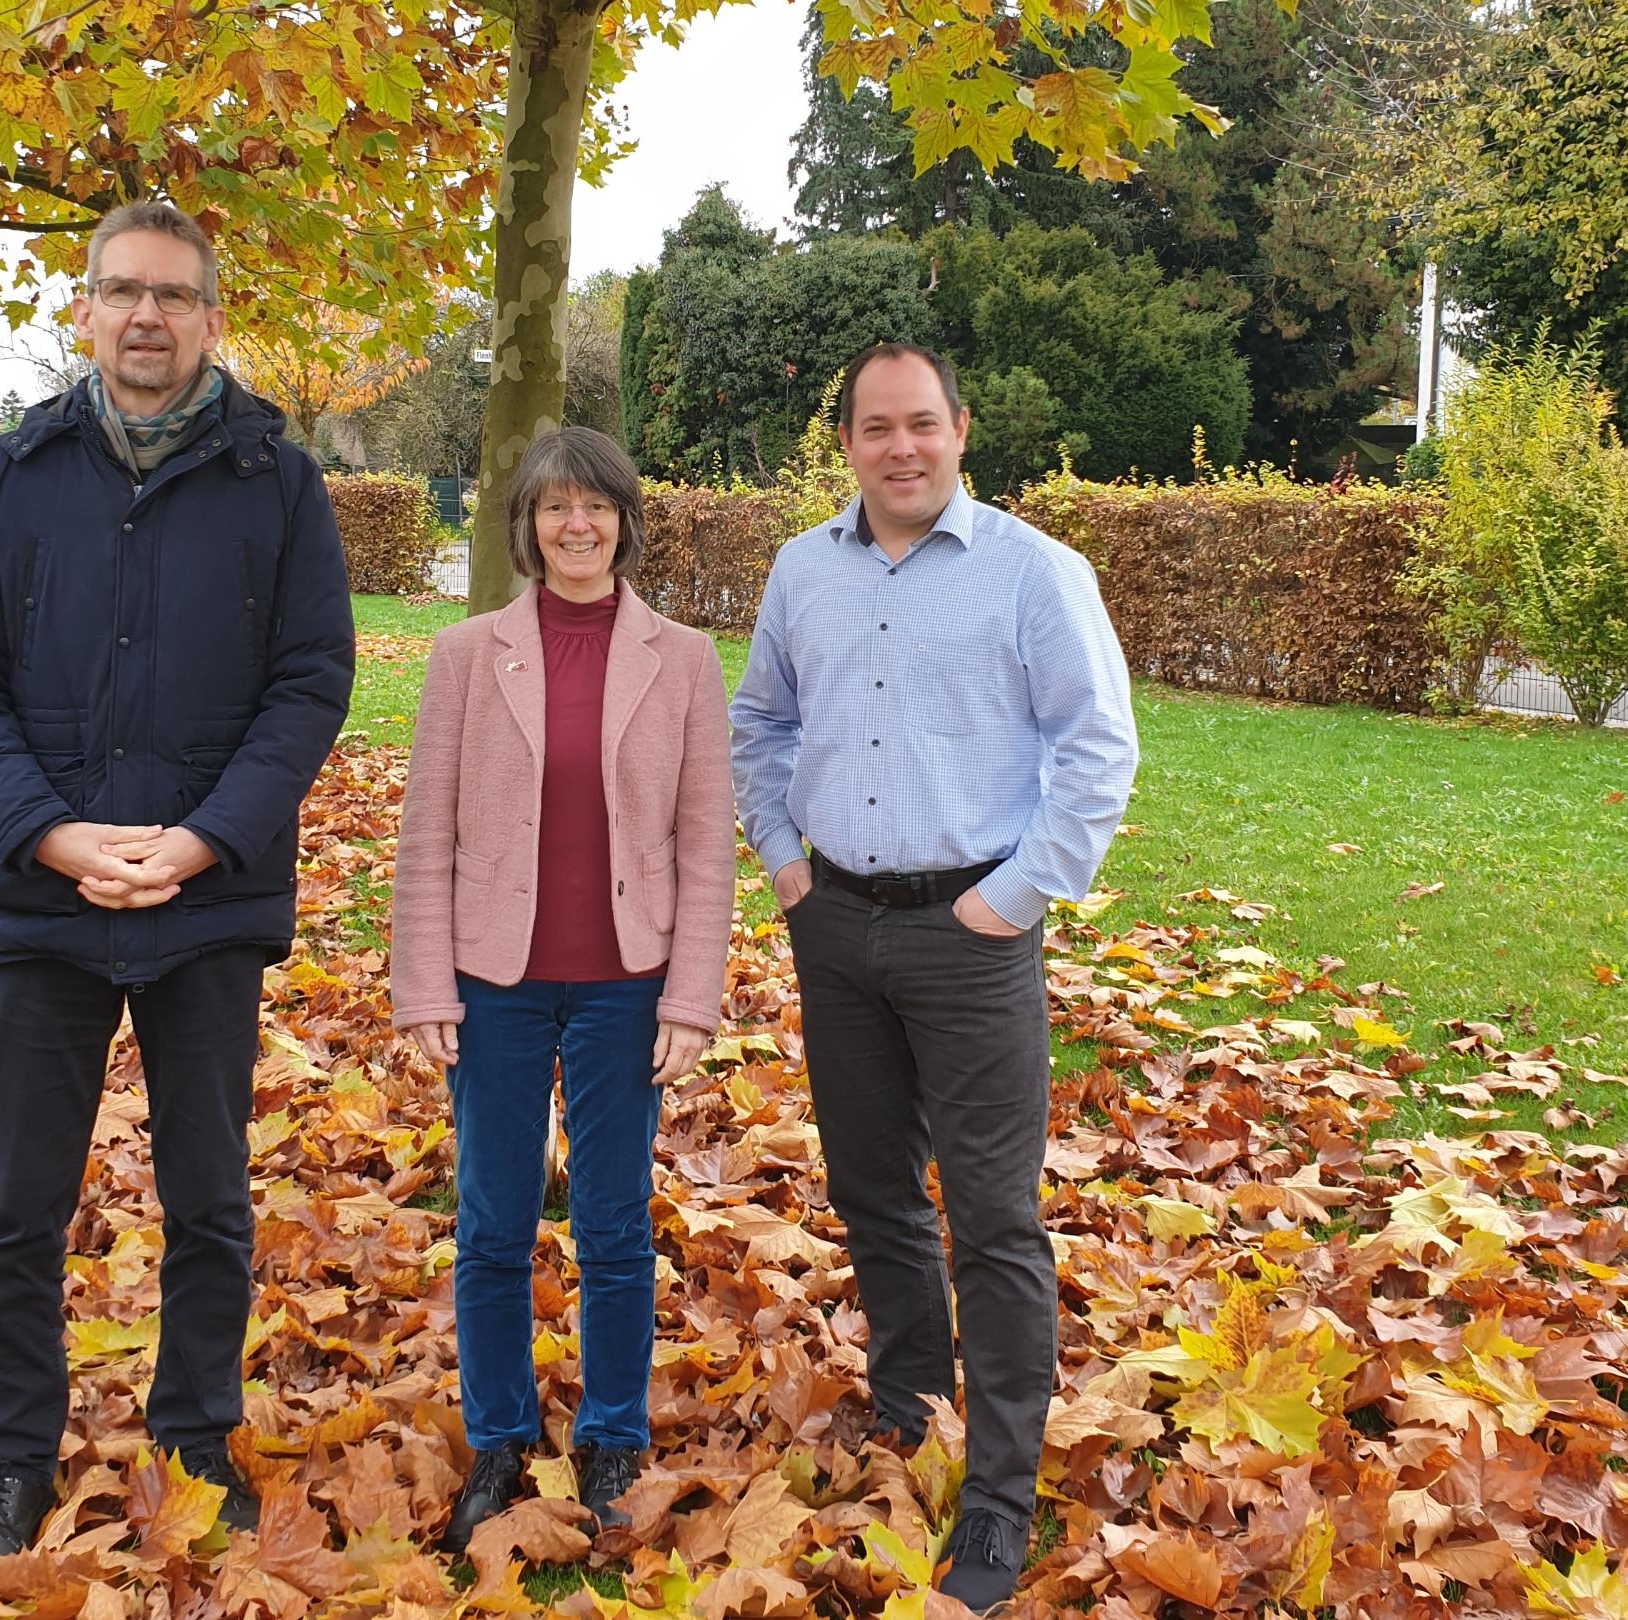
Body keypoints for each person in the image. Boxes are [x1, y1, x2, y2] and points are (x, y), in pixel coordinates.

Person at [0, 200, 355, 1578]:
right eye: (121, 292)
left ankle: (196, 1440)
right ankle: (14, 1465)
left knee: (210, 1196)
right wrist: (47, 834)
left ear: (212, 316)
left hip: (207, 901)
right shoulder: (12, 474)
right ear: (88, 311)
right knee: (20, 1208)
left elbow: (310, 682)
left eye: (172, 294)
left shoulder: (277, 483)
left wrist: (205, 838)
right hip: (49, 903)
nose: (146, 316)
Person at [729, 343, 1137, 1612]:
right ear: (844, 441)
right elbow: (760, 723)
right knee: (870, 1186)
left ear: (961, 430)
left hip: (971, 938)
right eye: (875, 428)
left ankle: (1001, 1498)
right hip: (836, 925)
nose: (900, 448)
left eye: (922, 425)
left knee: (995, 1217)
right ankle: (907, 1404)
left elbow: (1096, 751)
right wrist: (786, 866)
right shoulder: (804, 569)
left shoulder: (1033, 573)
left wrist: (1006, 901)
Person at [390, 426, 736, 1551]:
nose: (575, 525)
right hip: (493, 981)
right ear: (526, 526)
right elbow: (426, 835)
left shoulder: (681, 659)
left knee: (613, 1223)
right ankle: (495, 1439)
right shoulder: (465, 656)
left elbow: (701, 845)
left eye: (595, 507)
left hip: (624, 986)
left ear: (626, 520)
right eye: (554, 509)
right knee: (490, 1221)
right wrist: (422, 985)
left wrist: (691, 997)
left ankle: (612, 1433)